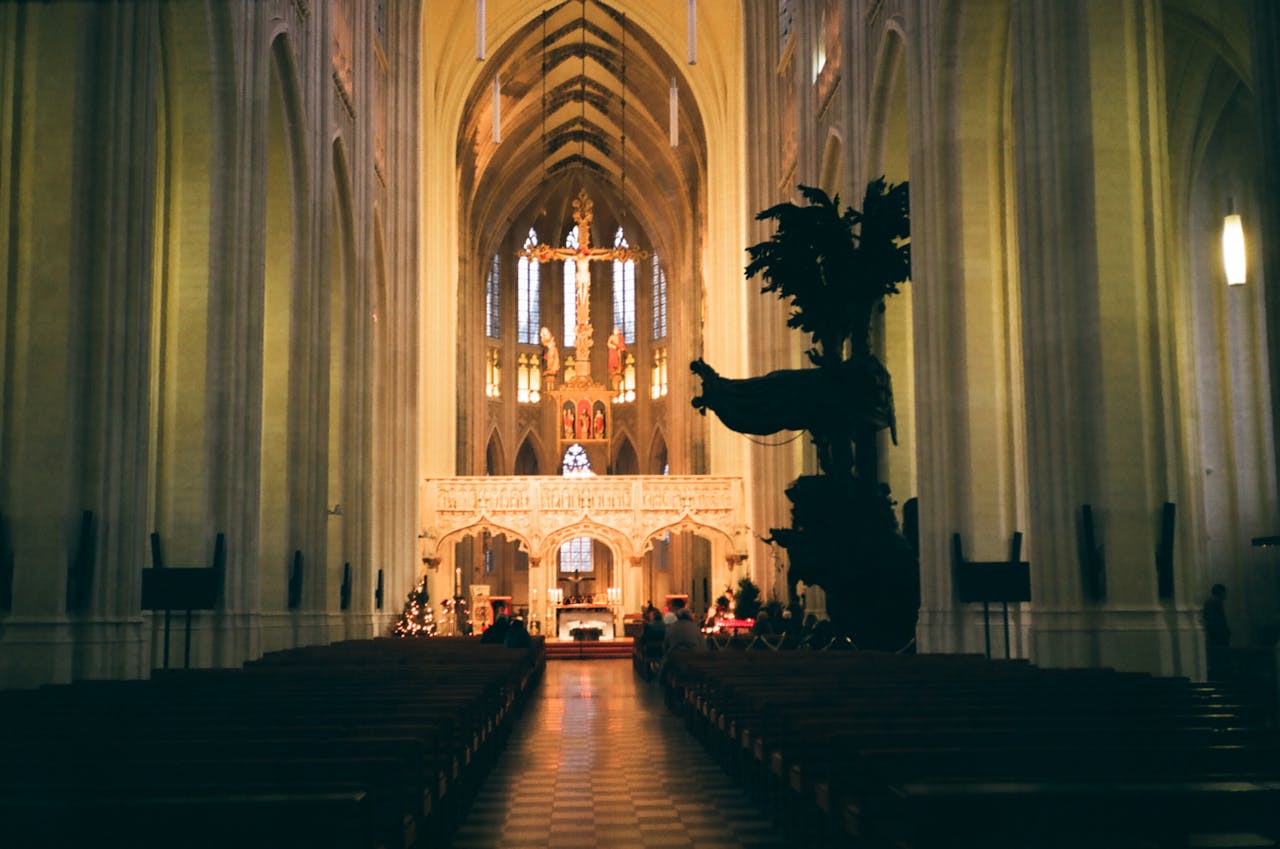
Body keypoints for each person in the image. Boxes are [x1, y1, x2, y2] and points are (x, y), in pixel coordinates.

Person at [1202, 583, 1231, 680]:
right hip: (1219, 634)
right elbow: (1220, 619)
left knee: (1215, 657)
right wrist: (1226, 631)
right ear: (1221, 593)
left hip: (1213, 633)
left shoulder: (1208, 602)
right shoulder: (1216, 602)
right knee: (1220, 657)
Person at [607, 326, 626, 390]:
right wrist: (613, 346)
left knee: (619, 361)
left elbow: (623, 345)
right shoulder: (611, 337)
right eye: (615, 330)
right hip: (613, 352)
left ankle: (619, 370)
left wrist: (621, 348)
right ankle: (613, 370)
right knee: (613, 361)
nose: (616, 331)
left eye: (617, 330)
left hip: (619, 352)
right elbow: (609, 343)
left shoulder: (621, 337)